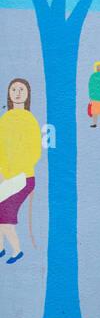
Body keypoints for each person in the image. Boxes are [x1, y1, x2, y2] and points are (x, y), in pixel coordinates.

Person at [0, 78, 41, 265]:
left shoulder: (30, 120)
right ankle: (1, 248)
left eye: (21, 89)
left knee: (5, 217)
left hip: (23, 177)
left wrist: (13, 172)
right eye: (14, 89)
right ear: (9, 93)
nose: (17, 92)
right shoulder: (5, 119)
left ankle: (16, 251)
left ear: (27, 94)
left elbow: (34, 152)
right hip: (6, 177)